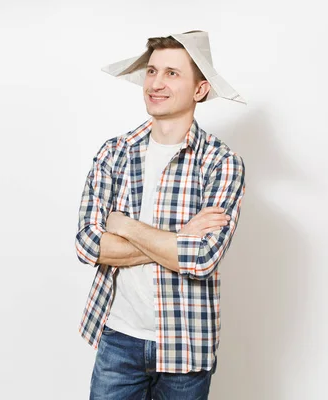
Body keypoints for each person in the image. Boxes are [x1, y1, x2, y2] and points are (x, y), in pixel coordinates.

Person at [74, 30, 247, 399]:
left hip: (187, 346)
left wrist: (123, 226)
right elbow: (89, 246)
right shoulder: (114, 153)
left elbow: (202, 259)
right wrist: (180, 236)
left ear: (199, 90)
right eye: (152, 71)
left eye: (172, 73)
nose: (156, 83)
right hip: (118, 339)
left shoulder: (221, 163)